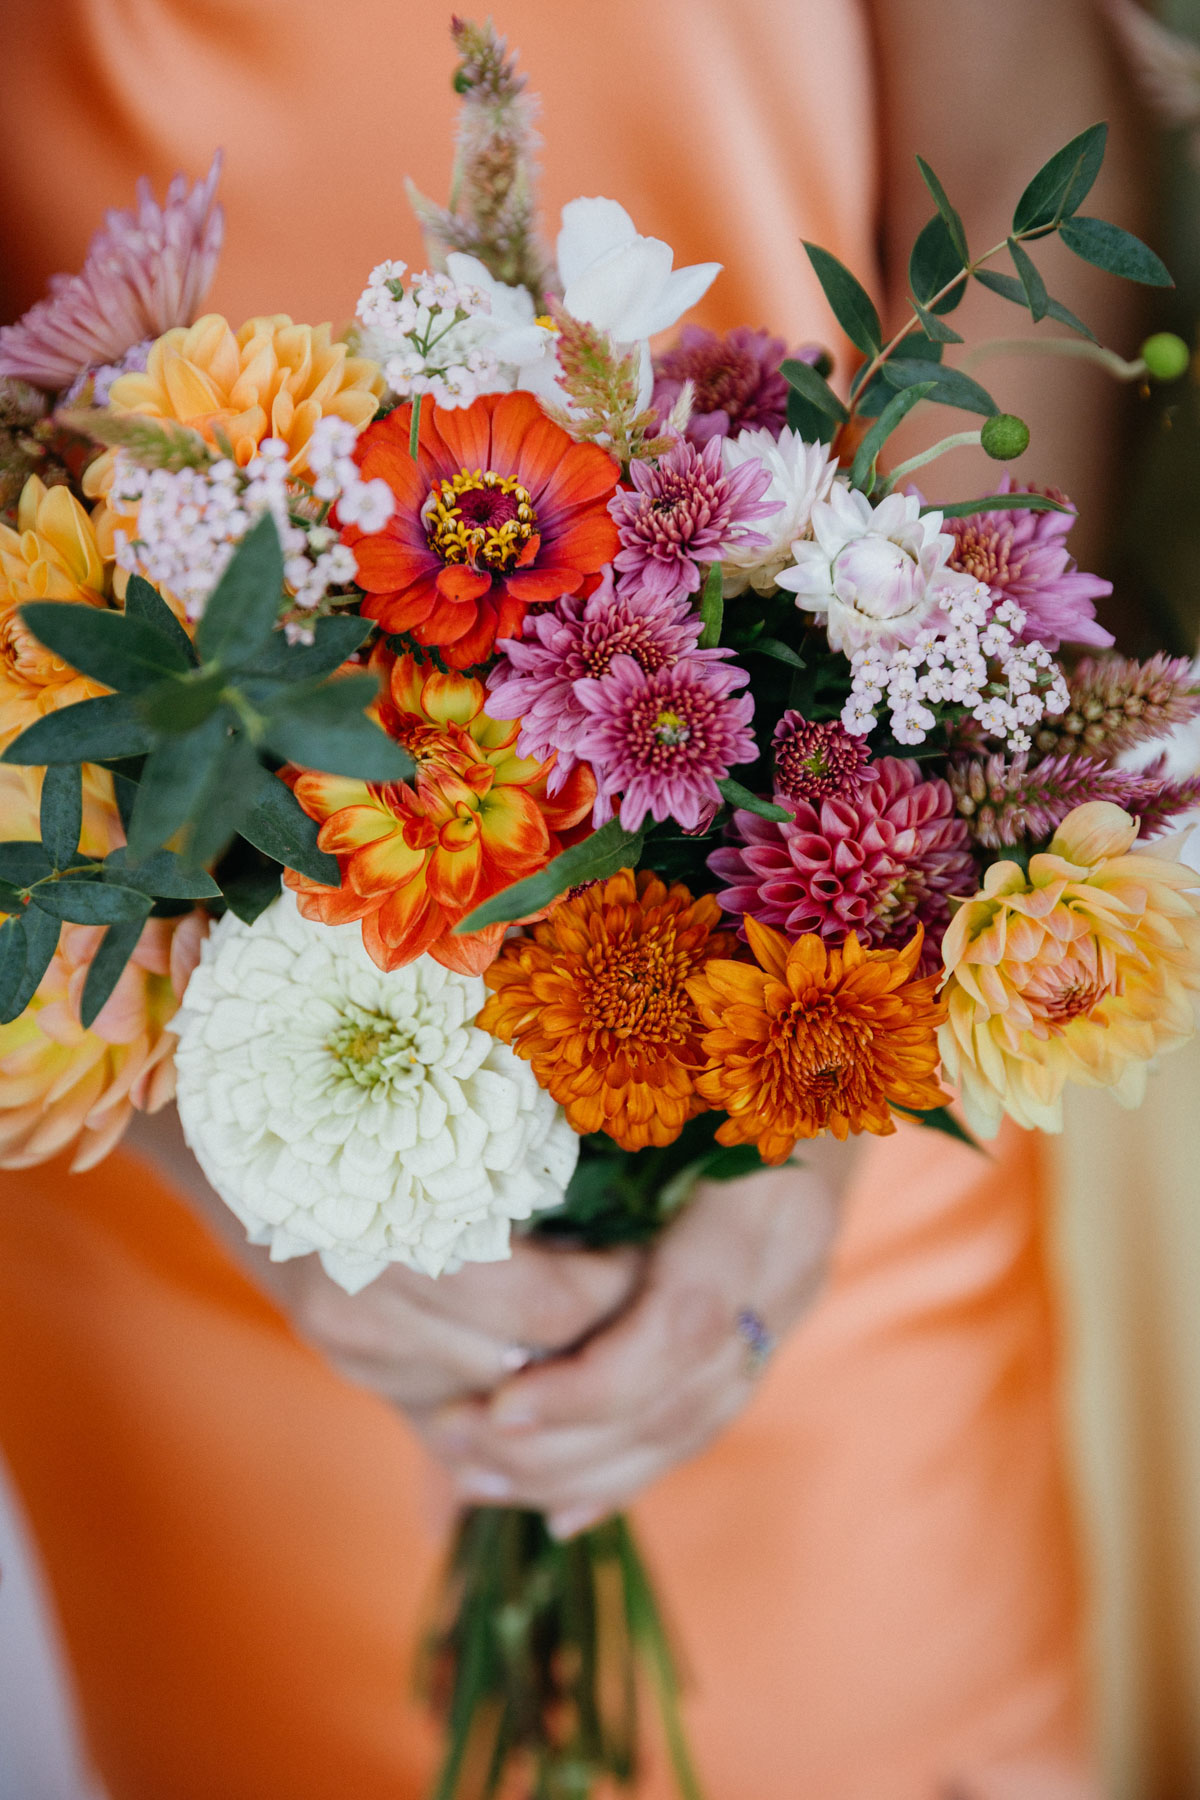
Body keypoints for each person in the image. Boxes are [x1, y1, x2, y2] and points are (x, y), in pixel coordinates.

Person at [0, 2, 1142, 1795]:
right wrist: (198, 1117)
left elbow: (1010, 118)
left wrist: (828, 1077)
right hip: (142, 1027)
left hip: (829, 964)